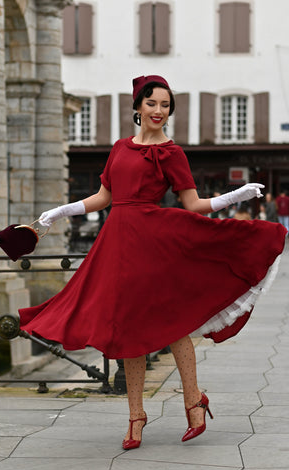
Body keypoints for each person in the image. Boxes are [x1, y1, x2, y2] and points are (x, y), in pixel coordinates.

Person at [19, 75, 287, 449]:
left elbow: (192, 204)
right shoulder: (119, 148)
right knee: (130, 330)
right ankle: (135, 416)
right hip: (118, 245)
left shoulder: (173, 153)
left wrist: (234, 197)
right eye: (152, 103)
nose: (159, 111)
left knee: (171, 322)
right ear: (138, 107)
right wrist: (57, 212)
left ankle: (194, 401)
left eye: (165, 105)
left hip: (156, 244)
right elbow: (102, 197)